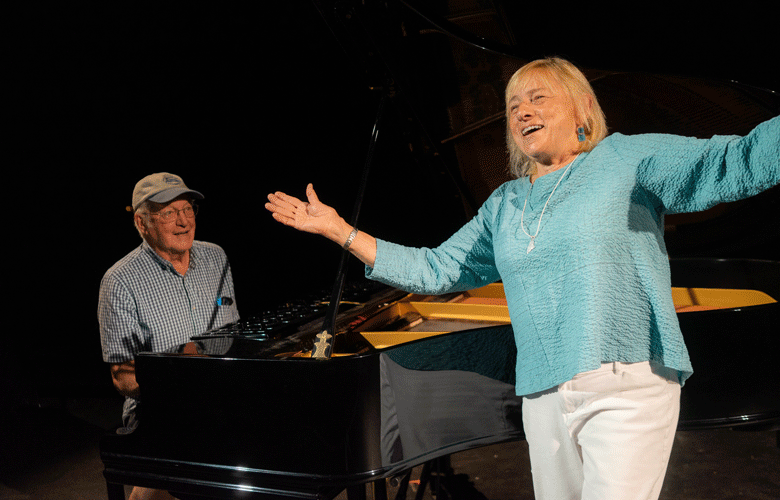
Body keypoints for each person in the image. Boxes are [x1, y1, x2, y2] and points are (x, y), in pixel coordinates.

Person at [265, 57, 779, 500]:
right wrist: (340, 230)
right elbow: (436, 268)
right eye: (512, 106)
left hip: (626, 383)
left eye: (537, 98)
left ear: (580, 109)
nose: (522, 112)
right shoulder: (505, 205)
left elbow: (731, 163)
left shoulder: (625, 158)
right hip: (543, 395)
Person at [98, 172, 240, 500]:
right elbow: (123, 378)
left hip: (223, 397)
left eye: (187, 209)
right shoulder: (120, 280)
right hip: (159, 410)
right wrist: (182, 389)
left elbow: (233, 333)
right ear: (141, 223)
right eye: (167, 213)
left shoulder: (216, 257)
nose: (182, 221)